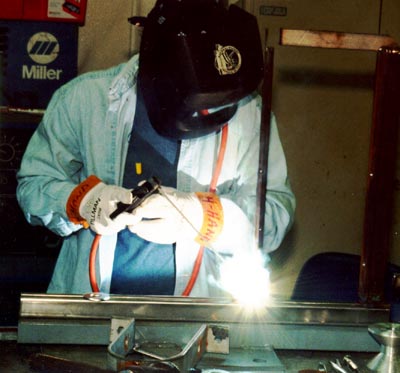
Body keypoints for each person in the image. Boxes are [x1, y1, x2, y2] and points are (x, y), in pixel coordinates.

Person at [16, 0, 295, 298]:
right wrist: (83, 202)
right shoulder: (84, 100)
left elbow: (275, 214)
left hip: (196, 317)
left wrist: (200, 216)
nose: (206, 116)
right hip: (90, 310)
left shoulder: (249, 113)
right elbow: (34, 185)